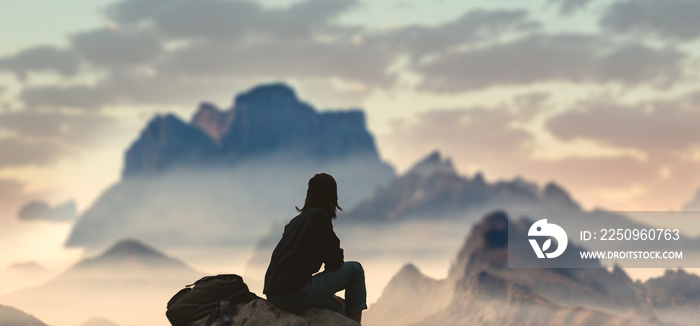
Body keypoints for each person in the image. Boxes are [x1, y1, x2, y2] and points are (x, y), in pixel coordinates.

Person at [263, 173, 367, 324]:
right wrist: (327, 291)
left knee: (342, 312)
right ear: (332, 195)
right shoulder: (319, 216)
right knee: (356, 269)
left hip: (274, 295)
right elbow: (335, 260)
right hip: (294, 292)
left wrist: (328, 295)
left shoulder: (295, 222)